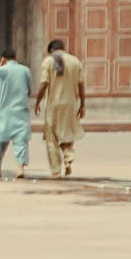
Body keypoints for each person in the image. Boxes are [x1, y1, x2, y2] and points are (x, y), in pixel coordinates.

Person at [34, 38, 86, 178]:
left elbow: (44, 83)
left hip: (53, 104)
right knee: (67, 133)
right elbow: (81, 85)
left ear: (51, 50)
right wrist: (82, 105)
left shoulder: (49, 61)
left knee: (52, 138)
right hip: (70, 104)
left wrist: (37, 101)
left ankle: (56, 170)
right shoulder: (75, 61)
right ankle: (68, 159)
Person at [0, 46, 33, 180]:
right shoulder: (25, 70)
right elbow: (29, 89)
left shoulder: (1, 70)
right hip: (20, 110)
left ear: (4, 59)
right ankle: (20, 168)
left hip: (4, 111)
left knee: (0, 141)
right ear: (16, 57)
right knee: (21, 141)